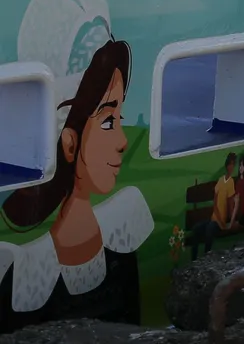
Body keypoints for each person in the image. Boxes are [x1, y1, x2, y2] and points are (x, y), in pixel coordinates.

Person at [0, 39, 151, 331]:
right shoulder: (24, 276)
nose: (123, 141)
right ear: (69, 142)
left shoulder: (122, 239)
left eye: (120, 119)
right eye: (108, 121)